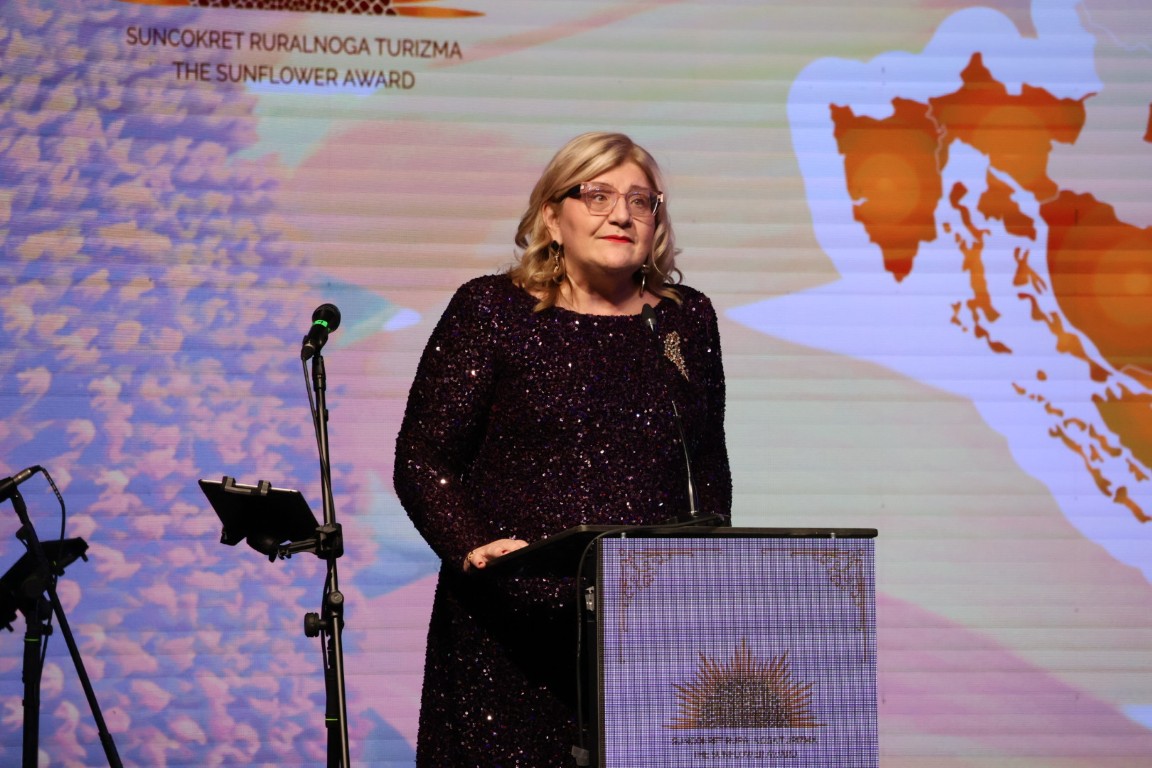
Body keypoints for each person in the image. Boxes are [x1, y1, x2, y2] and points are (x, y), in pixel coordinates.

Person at [393, 131, 732, 766]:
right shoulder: (491, 309)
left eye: (640, 200)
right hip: (509, 622)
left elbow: (708, 464)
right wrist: (472, 546)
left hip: (644, 630)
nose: (621, 214)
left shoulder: (685, 319)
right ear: (552, 217)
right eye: (596, 195)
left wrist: (704, 576)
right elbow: (423, 457)